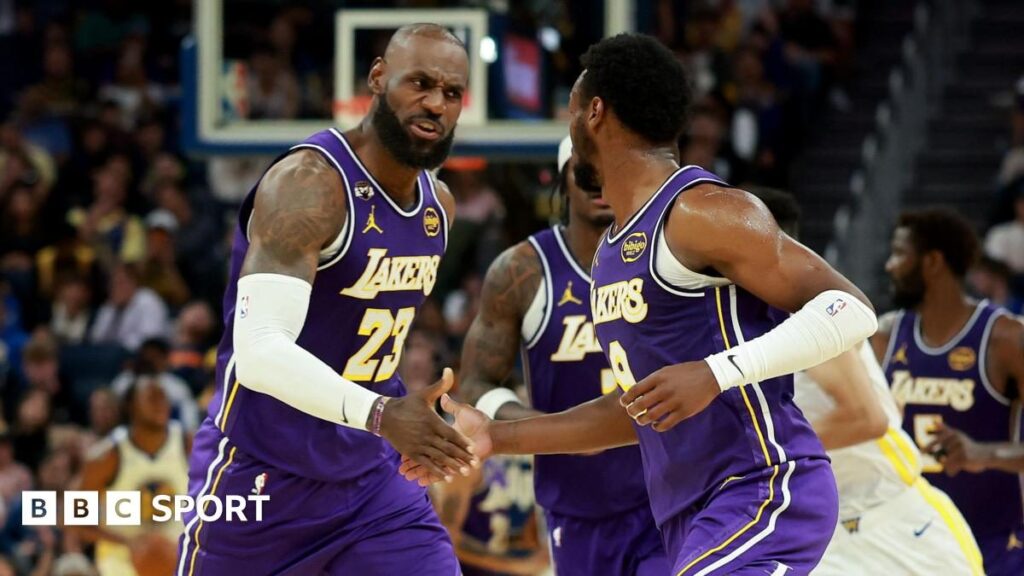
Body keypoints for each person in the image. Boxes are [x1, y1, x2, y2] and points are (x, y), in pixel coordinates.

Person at [409, 33, 878, 574]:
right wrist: (496, 436)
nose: (570, 127)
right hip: (686, 515)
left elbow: (851, 308)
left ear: (595, 113)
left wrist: (714, 372)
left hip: (762, 486)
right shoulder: (612, 253)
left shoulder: (702, 211)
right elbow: (632, 411)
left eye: (570, 113)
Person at [179, 24, 478, 575]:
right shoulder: (309, 183)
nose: (436, 102)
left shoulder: (439, 207)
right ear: (378, 78)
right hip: (262, 473)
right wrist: (383, 413)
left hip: (372, 481)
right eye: (420, 83)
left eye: (452, 92)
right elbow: (260, 350)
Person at [458, 136, 666, 575]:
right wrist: (551, 431)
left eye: (608, 169)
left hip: (666, 499)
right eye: (583, 170)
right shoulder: (523, 270)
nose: (597, 182)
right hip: (576, 505)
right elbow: (476, 383)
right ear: (562, 179)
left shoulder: (665, 261)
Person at [755, 188, 983, 575]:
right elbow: (888, 408)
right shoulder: (737, 319)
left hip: (896, 521)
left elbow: (870, 418)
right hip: (828, 528)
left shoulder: (804, 308)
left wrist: (758, 450)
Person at [872, 208, 1024, 575]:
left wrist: (983, 453)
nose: (890, 266)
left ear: (933, 261)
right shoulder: (883, 339)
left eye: (899, 253)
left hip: (994, 543)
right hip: (907, 545)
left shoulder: (1005, 339)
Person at [75, 377, 189, 576]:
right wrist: (130, 543)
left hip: (178, 560)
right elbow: (76, 519)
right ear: (131, 406)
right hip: (121, 563)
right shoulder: (105, 456)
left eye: (163, 397)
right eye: (151, 398)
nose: (159, 404)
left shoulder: (189, 444)